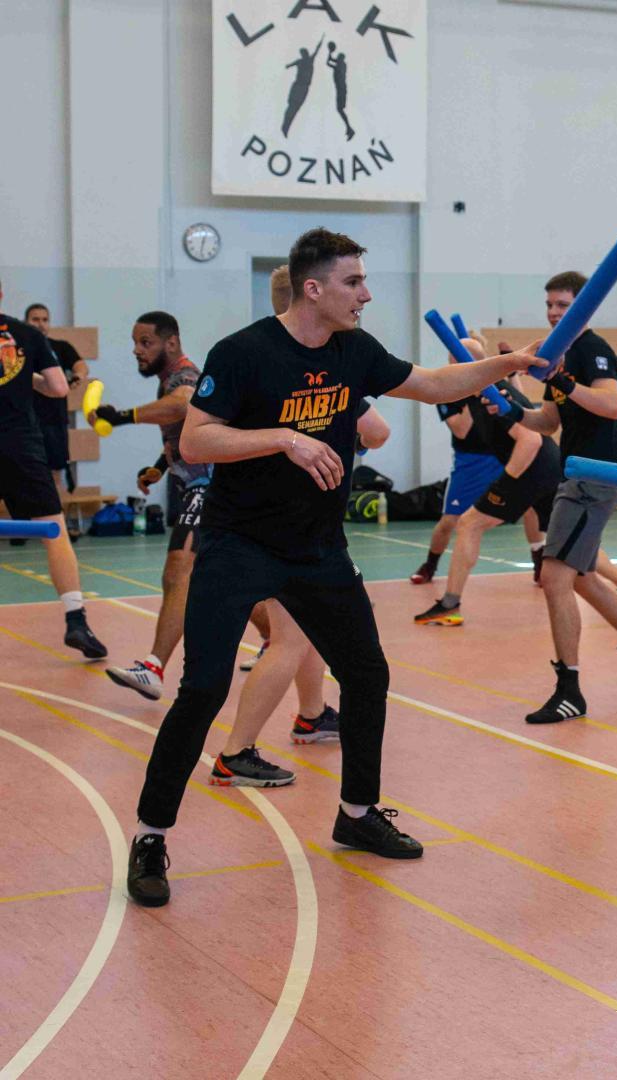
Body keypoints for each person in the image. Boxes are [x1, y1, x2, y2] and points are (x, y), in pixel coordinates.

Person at [126, 227, 542, 908]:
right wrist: (285, 439)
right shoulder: (244, 352)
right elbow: (197, 440)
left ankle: (357, 814)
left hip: (317, 549)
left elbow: (433, 383)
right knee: (201, 689)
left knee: (368, 674)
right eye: (354, 282)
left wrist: (509, 363)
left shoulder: (356, 350)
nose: (366, 294)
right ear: (313, 288)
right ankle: (150, 836)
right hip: (239, 546)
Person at [516, 271, 617, 725]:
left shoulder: (592, 349)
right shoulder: (560, 353)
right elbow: (548, 421)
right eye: (549, 305)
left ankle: (569, 690)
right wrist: (510, 410)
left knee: (554, 576)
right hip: (576, 474)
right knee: (583, 577)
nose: (554, 312)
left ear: (583, 306)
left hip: (593, 477)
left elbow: (613, 406)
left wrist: (565, 381)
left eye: (563, 305)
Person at [211, 404, 391, 787]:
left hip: (274, 518)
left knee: (309, 627)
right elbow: (377, 431)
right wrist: (347, 441)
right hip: (294, 531)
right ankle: (235, 753)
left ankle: (312, 715)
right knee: (288, 641)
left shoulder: (271, 384)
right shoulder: (331, 384)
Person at [96, 313, 222, 698]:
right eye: (135, 343)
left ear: (171, 343)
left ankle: (153, 668)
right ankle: (274, 640)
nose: (137, 350)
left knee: (177, 571)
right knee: (222, 580)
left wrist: (123, 417)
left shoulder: (184, 377)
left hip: (211, 487)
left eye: (146, 342)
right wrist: (159, 467)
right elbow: (185, 433)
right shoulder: (166, 380)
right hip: (202, 486)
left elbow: (182, 406)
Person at [415, 350, 563, 627]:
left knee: (469, 523)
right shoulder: (479, 393)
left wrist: (506, 481)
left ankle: (450, 604)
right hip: (548, 465)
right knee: (567, 535)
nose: (449, 369)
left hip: (531, 467)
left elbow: (530, 439)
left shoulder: (492, 394)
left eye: (454, 363)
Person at [0, 290, 105, 658]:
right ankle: (76, 619)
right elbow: (59, 387)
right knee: (54, 530)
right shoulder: (27, 335)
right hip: (20, 445)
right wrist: (28, 380)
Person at [23, 302, 85, 491]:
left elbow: (80, 366)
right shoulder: (16, 350)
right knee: (25, 474)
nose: (41, 324)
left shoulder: (60, 347)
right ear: (25, 322)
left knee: (55, 473)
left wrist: (77, 376)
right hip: (24, 422)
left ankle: (54, 509)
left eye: (45, 319)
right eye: (35, 319)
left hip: (54, 421)